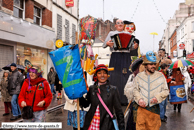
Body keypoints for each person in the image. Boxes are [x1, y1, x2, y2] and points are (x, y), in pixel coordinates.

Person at [79, 64, 125, 130]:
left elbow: (119, 111)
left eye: (104, 73)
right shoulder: (92, 88)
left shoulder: (113, 90)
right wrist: (79, 96)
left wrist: (122, 127)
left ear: (107, 75)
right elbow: (86, 104)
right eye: (99, 73)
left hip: (107, 125)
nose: (102, 75)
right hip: (92, 123)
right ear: (96, 75)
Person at [133, 51, 169, 130]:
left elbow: (166, 91)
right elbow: (135, 90)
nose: (153, 66)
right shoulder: (139, 76)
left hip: (154, 111)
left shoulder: (160, 76)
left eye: (154, 64)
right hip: (141, 110)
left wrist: (157, 98)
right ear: (145, 65)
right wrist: (139, 99)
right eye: (151, 64)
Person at [103, 19, 133, 105]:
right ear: (115, 25)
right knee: (114, 76)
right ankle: (114, 99)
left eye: (121, 23)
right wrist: (107, 43)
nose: (120, 24)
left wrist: (134, 46)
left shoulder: (128, 34)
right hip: (116, 55)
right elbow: (104, 44)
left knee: (126, 76)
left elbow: (131, 48)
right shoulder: (111, 34)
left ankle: (125, 99)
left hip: (126, 56)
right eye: (118, 23)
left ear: (123, 25)